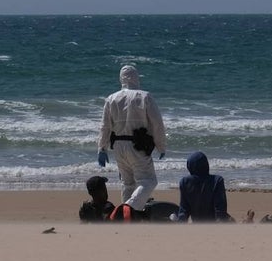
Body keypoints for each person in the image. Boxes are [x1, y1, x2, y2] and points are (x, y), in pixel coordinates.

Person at [97, 64, 167, 212]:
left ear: (121, 78)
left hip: (118, 146)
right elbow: (157, 124)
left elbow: (105, 126)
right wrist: (161, 146)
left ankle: (126, 216)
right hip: (138, 145)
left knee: (128, 183)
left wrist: (102, 148)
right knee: (148, 181)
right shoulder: (144, 96)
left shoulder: (111, 99)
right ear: (136, 77)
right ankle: (129, 207)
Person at [175, 151, 233, 223]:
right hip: (214, 223)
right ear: (206, 165)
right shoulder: (217, 181)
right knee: (231, 220)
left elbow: (184, 211)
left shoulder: (184, 182)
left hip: (197, 223)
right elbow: (220, 210)